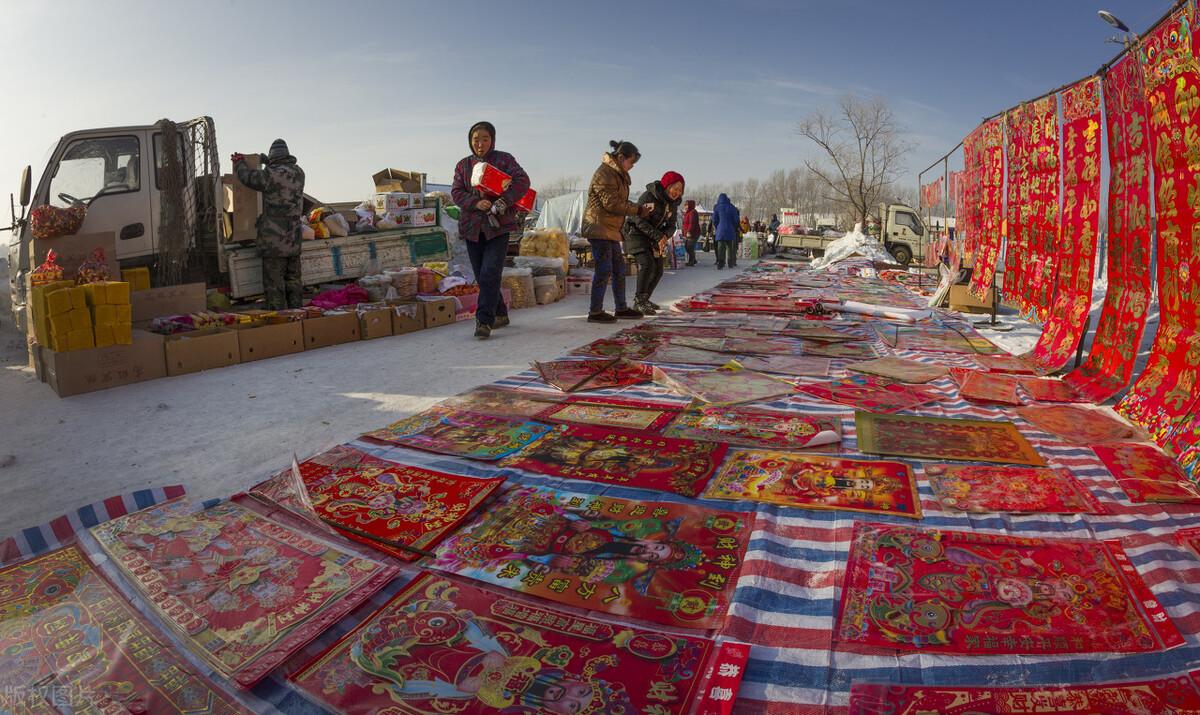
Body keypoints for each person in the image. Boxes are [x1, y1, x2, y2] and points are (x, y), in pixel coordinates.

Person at [451, 121, 530, 340]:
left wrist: (504, 201)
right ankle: (501, 314)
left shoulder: (504, 160)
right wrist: (475, 203)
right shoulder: (463, 165)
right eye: (476, 139)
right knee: (482, 275)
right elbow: (456, 192)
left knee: (490, 273)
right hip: (472, 228)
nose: (480, 143)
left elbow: (523, 181)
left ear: (492, 140)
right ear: (470, 141)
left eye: (485, 139)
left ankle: (484, 321)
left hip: (498, 226)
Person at [581, 140, 654, 323]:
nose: (632, 167)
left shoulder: (617, 174)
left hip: (610, 229)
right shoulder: (605, 173)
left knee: (619, 270)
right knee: (604, 270)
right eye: (631, 162)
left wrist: (637, 209)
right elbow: (611, 203)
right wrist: (638, 210)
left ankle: (620, 308)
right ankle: (595, 311)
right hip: (598, 227)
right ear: (621, 158)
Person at [233, 140, 305, 310]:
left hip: (275, 240)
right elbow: (281, 173)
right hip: (294, 237)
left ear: (273, 157)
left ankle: (279, 318)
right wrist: (266, 161)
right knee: (294, 280)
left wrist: (239, 163)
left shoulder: (270, 174)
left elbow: (249, 178)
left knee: (274, 283)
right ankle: (299, 313)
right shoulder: (299, 172)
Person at [623, 171, 683, 315]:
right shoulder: (649, 196)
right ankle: (639, 301)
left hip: (653, 238)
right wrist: (658, 236)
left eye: (680, 190)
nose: (677, 192)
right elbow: (638, 219)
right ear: (667, 186)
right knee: (647, 264)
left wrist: (664, 236)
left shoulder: (673, 204)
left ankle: (645, 299)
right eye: (675, 188)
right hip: (636, 234)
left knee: (658, 270)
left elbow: (672, 225)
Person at [711, 193, 740, 270]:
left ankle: (720, 263)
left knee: (720, 247)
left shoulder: (717, 207)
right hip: (730, 229)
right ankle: (730, 262)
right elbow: (736, 219)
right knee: (730, 247)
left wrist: (718, 226)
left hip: (720, 230)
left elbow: (714, 219)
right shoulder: (732, 207)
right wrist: (733, 226)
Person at [681, 199, 700, 266]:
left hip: (693, 233)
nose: (685, 206)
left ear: (690, 205)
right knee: (687, 247)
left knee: (689, 247)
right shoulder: (688, 212)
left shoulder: (692, 212)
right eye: (685, 205)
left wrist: (689, 231)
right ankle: (693, 260)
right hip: (688, 233)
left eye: (687, 205)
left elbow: (692, 223)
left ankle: (691, 261)